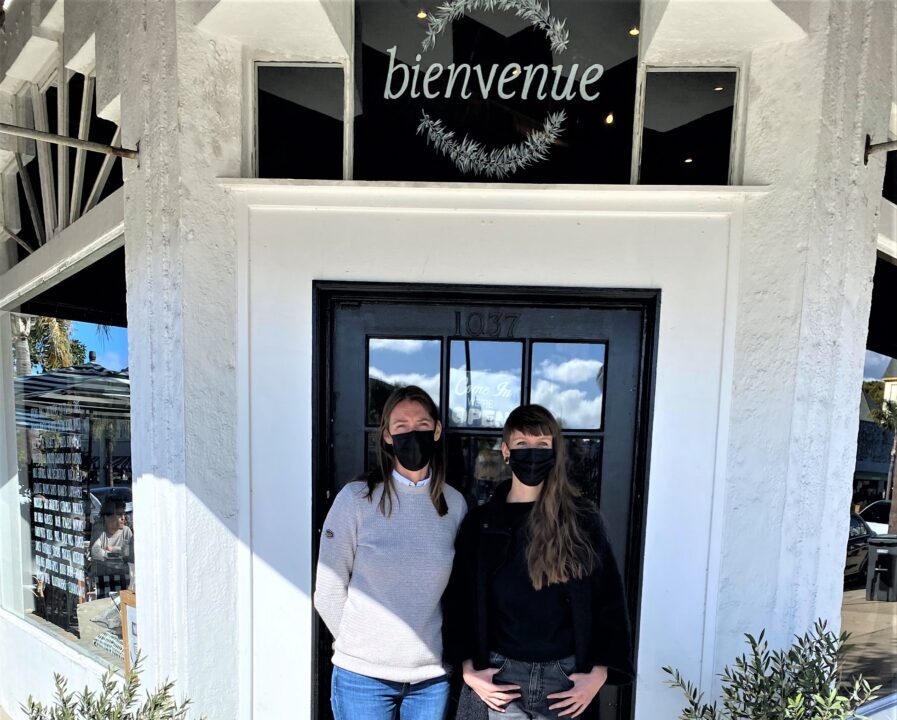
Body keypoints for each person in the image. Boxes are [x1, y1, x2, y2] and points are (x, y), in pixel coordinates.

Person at [445, 405, 634, 720]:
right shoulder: (481, 523)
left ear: (554, 451)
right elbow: (459, 602)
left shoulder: (581, 520)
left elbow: (609, 599)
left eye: (542, 445)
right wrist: (467, 668)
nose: (532, 453)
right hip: (499, 677)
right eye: (522, 444)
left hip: (565, 680)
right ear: (506, 451)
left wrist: (599, 673)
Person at [314, 385, 468, 720]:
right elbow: (328, 589)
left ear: (437, 430)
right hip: (362, 678)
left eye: (422, 425)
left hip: (430, 679)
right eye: (401, 426)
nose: (413, 433)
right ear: (387, 436)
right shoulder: (356, 500)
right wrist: (360, 647)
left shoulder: (454, 505)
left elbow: (458, 592)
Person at [89, 497, 133, 598]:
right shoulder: (100, 530)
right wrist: (121, 553)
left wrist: (113, 549)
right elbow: (96, 552)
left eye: (124, 514)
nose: (123, 518)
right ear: (107, 517)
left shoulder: (126, 531)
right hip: (103, 579)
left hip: (124, 579)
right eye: (119, 514)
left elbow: (131, 554)